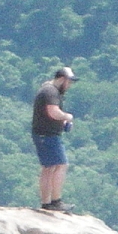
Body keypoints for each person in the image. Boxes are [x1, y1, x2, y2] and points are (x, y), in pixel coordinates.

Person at [32, 67, 76, 211]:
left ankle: (47, 202)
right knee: (60, 165)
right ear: (62, 79)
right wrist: (66, 117)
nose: (69, 86)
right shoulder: (51, 92)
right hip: (48, 135)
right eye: (68, 82)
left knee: (49, 168)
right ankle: (55, 201)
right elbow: (53, 112)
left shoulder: (47, 90)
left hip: (44, 134)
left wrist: (61, 123)